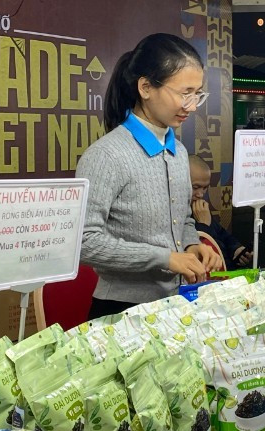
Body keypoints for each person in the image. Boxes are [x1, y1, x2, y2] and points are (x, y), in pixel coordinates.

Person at [76, 33, 221, 319]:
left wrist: (192, 245)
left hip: (174, 306)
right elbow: (84, 242)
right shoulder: (107, 156)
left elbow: (183, 219)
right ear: (145, 87)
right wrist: (165, 258)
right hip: (121, 312)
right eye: (184, 93)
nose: (191, 106)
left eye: (198, 94)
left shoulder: (178, 152)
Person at [189, 155, 253, 269]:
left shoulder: (200, 208)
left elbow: (221, 233)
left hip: (231, 271)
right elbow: (201, 255)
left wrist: (236, 249)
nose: (200, 194)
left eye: (204, 188)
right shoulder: (178, 215)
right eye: (195, 187)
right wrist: (203, 226)